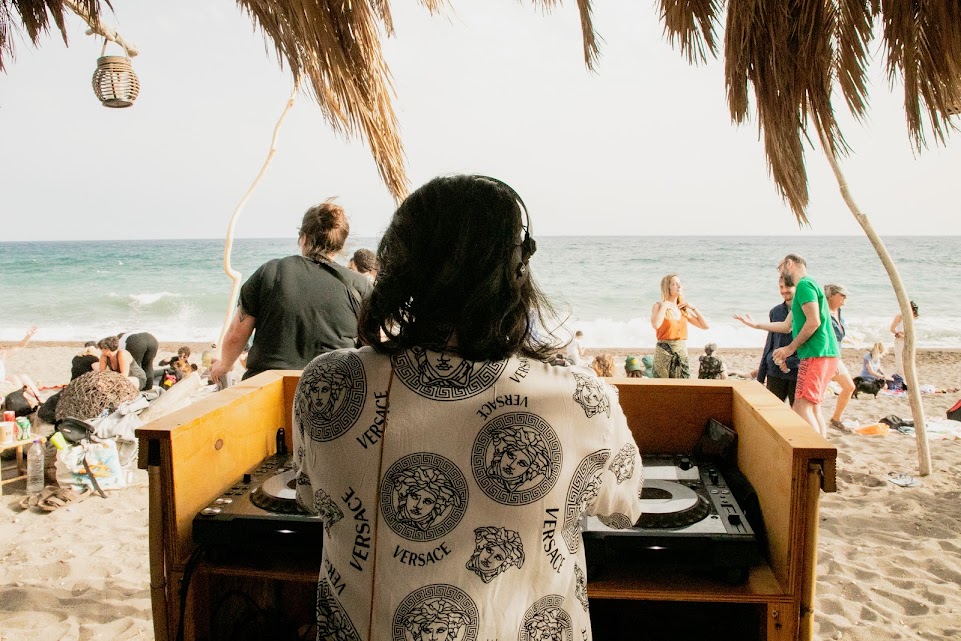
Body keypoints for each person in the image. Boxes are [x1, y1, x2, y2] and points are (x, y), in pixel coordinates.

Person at [294, 175, 642, 641]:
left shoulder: (328, 382)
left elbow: (309, 496)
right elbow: (624, 510)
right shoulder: (584, 400)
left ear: (397, 266)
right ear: (517, 270)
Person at [210, 200, 372, 382]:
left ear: (303, 237)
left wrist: (224, 365)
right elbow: (373, 348)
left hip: (268, 386)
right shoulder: (360, 285)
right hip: (332, 390)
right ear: (342, 244)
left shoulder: (270, 272)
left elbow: (236, 335)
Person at [734, 254, 839, 436]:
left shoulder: (804, 285)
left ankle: (814, 453)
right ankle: (821, 452)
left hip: (816, 353)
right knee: (813, 408)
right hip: (825, 354)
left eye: (780, 269)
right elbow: (786, 326)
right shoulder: (807, 286)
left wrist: (789, 349)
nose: (780, 275)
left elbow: (813, 322)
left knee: (801, 407)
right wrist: (756, 325)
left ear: (789, 264)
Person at [747, 277, 800, 404]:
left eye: (788, 286)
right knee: (772, 410)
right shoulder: (775, 311)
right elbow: (769, 343)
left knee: (798, 414)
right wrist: (760, 377)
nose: (784, 290)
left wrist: (793, 361)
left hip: (796, 371)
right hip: (775, 371)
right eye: (781, 287)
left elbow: (808, 340)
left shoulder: (804, 310)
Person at [650, 273, 709, 379]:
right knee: (662, 387)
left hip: (681, 351)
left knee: (684, 385)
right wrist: (664, 306)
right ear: (667, 287)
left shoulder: (682, 308)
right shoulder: (658, 306)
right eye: (674, 284)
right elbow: (656, 325)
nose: (679, 286)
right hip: (664, 352)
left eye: (679, 283)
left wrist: (693, 308)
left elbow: (705, 326)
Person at [824, 284, 856, 429]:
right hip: (827, 357)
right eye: (842, 295)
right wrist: (832, 361)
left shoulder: (839, 312)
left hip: (836, 356)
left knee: (849, 387)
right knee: (817, 394)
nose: (845, 298)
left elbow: (838, 335)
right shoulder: (824, 313)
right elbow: (824, 339)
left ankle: (835, 418)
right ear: (831, 296)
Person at [890, 301, 919, 380]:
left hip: (910, 341)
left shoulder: (913, 317)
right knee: (900, 360)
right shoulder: (900, 316)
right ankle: (901, 380)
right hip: (900, 340)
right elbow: (892, 329)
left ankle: (910, 379)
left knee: (910, 360)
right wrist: (902, 336)